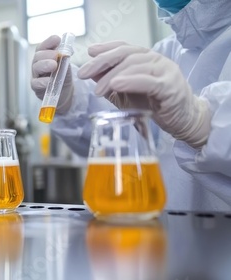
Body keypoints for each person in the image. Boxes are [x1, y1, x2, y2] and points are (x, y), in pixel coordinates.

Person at [31, 0, 231, 211]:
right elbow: (120, 142)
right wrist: (70, 100)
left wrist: (202, 123)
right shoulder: (168, 50)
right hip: (167, 235)